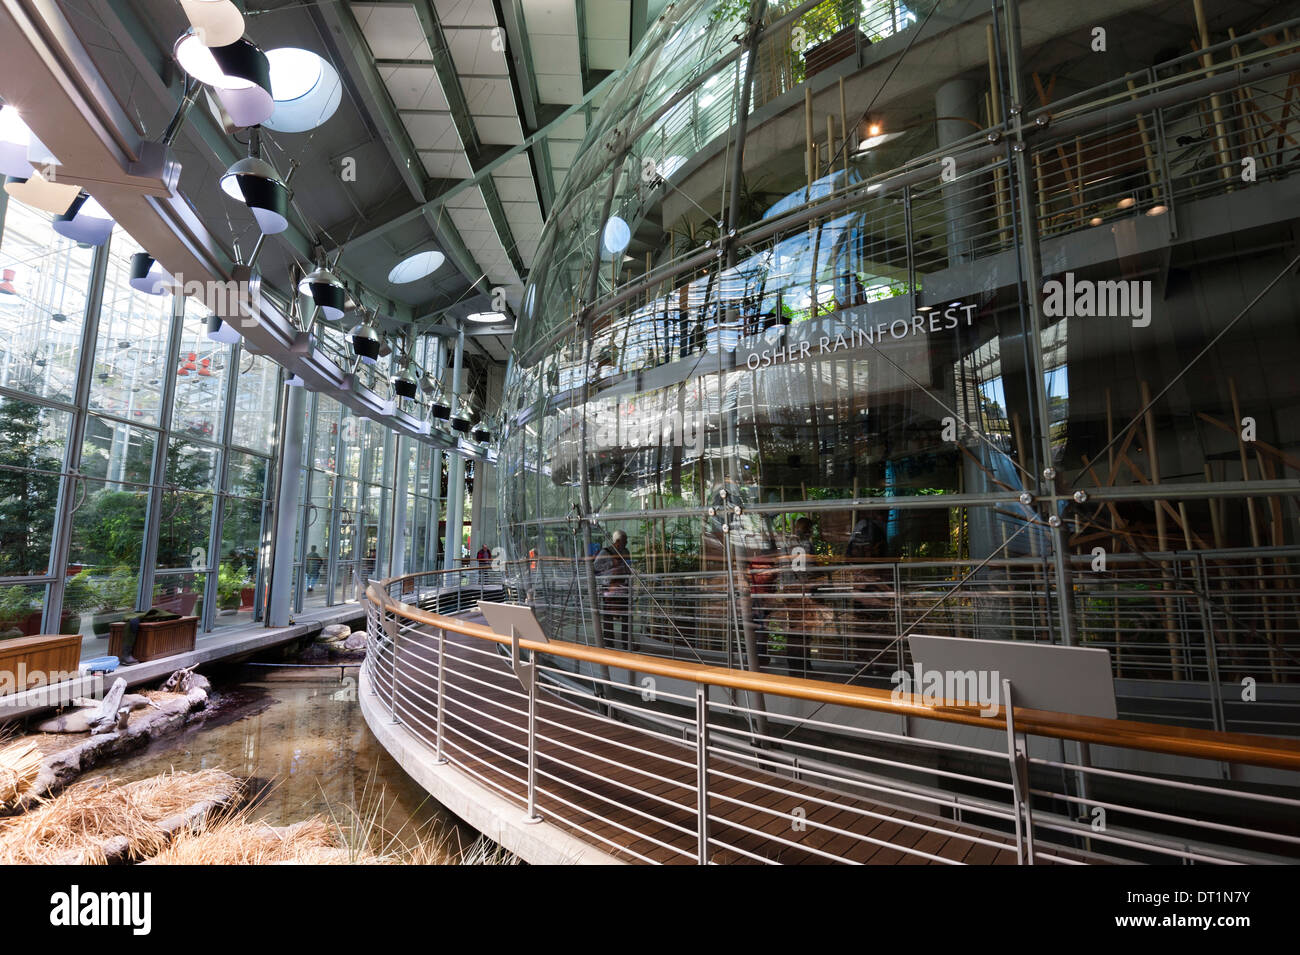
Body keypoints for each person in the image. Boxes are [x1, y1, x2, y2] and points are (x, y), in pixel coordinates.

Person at [594, 530, 633, 650]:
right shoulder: (605, 552)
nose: (626, 542)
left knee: (627, 615)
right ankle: (608, 641)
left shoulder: (626, 552)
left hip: (623, 587)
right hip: (610, 589)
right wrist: (612, 563)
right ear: (618, 541)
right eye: (625, 540)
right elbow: (596, 567)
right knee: (608, 616)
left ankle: (627, 642)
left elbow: (628, 567)